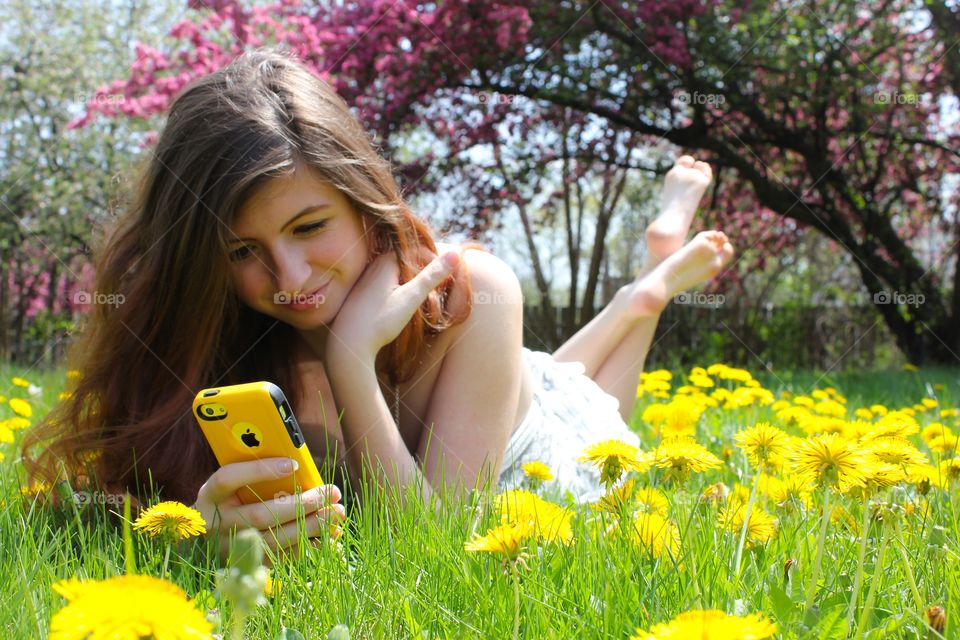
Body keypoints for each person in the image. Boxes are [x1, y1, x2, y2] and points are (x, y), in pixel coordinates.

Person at [21, 48, 733, 556]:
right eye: (242, 251)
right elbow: (117, 499)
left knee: (595, 408)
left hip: (545, 452)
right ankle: (644, 287)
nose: (289, 274)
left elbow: (438, 552)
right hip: (499, 388)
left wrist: (351, 361)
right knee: (550, 373)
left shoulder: (477, 289)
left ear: (364, 200)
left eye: (309, 227)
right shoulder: (220, 339)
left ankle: (650, 283)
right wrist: (202, 533)